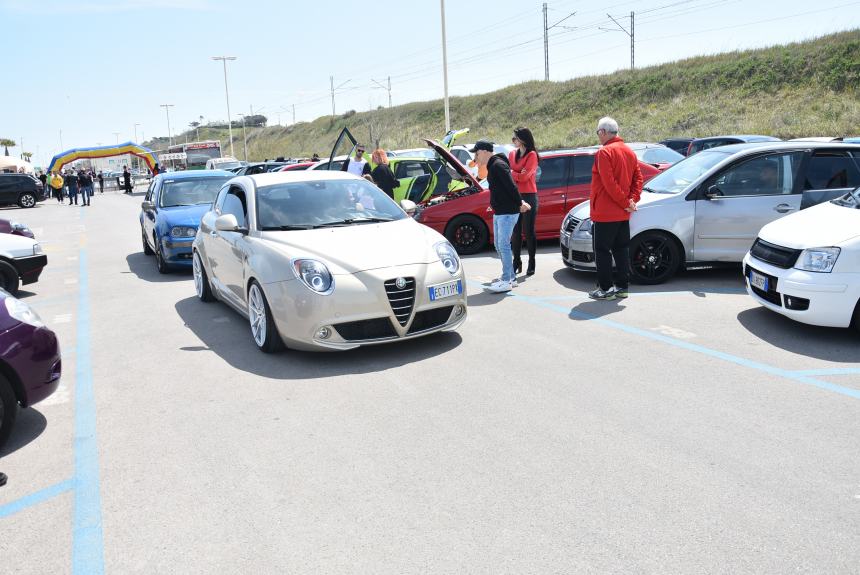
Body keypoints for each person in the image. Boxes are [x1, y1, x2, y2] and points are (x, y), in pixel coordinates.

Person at [588, 117, 643, 301]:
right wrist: (631, 200)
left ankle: (605, 288)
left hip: (606, 212)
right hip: (623, 213)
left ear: (603, 132)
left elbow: (609, 184)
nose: (598, 137)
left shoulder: (604, 153)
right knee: (621, 250)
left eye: (598, 133)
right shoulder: (629, 152)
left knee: (602, 251)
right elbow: (638, 180)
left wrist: (627, 202)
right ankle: (622, 287)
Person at [471, 140, 530, 293]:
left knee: (503, 245)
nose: (476, 158)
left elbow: (511, 186)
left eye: (477, 154)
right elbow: (499, 189)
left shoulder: (498, 165)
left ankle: (506, 280)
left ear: (484, 151)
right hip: (500, 211)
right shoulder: (493, 165)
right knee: (498, 245)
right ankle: (510, 277)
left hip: (507, 212)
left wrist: (520, 202)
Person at [509, 127, 540, 277]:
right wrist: (516, 173)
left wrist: (513, 173)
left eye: (515, 138)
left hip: (529, 196)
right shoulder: (511, 154)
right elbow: (513, 176)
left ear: (523, 139)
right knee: (515, 232)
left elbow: (525, 177)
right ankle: (516, 261)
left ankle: (532, 261)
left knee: (528, 231)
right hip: (515, 196)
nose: (513, 141)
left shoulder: (532, 155)